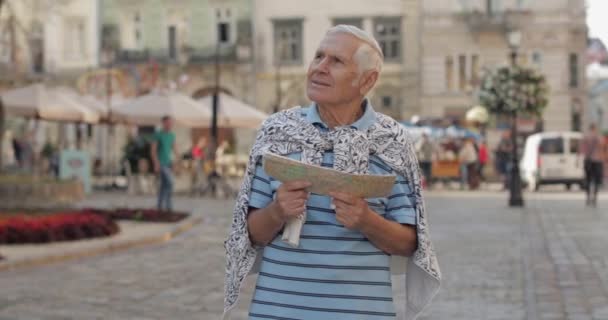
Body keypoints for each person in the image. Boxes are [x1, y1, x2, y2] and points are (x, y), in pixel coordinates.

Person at [224, 25, 440, 320]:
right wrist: (277, 211)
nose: (319, 68)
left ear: (367, 80)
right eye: (318, 57)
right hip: (277, 311)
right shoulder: (276, 133)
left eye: (336, 61)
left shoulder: (391, 141)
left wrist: (367, 221)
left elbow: (410, 243)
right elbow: (249, 233)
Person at [150, 115, 177, 212]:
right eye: (168, 122)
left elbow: (174, 149)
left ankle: (160, 205)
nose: (170, 124)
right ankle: (168, 205)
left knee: (164, 185)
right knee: (170, 183)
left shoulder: (171, 135)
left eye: (171, 122)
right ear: (164, 123)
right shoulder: (158, 135)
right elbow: (153, 151)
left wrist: (176, 162)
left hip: (169, 163)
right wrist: (156, 163)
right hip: (161, 163)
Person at [580, 123, 605, 206]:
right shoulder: (599, 137)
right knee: (596, 181)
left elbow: (581, 149)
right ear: (595, 128)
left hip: (588, 160)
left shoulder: (586, 136)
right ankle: (594, 198)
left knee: (588, 179)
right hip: (597, 161)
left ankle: (588, 198)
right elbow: (602, 147)